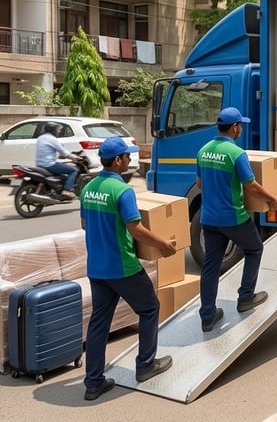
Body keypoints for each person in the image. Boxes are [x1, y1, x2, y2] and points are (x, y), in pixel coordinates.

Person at [81, 137, 177, 401]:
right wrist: (163, 244)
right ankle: (146, 365)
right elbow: (137, 229)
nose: (129, 159)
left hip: (97, 268)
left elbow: (84, 224)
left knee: (99, 323)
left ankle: (93, 383)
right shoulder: (122, 191)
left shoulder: (88, 189)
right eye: (126, 156)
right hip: (122, 267)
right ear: (117, 160)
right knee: (149, 308)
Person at [196, 107, 277, 332]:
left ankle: (207, 315)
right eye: (240, 125)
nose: (241, 128)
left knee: (210, 266)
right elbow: (251, 186)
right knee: (255, 249)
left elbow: (199, 184)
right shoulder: (236, 154)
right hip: (232, 217)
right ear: (234, 127)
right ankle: (245, 297)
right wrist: (272, 199)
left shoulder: (203, 151)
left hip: (209, 218)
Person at [35, 122, 81, 198]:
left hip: (40, 164)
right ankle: (67, 190)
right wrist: (74, 157)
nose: (59, 131)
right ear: (53, 130)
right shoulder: (52, 139)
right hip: (49, 164)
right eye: (57, 130)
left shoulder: (41, 138)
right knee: (73, 170)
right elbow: (63, 151)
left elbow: (48, 150)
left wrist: (61, 156)